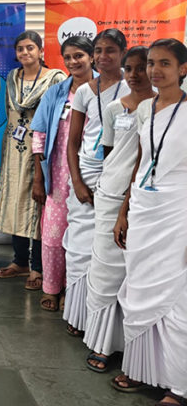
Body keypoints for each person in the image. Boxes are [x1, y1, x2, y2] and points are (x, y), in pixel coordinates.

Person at [114, 39, 187, 405]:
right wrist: (124, 211)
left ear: (183, 69)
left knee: (175, 300)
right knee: (139, 291)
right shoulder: (148, 109)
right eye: (151, 63)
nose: (155, 70)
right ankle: (141, 368)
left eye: (165, 63)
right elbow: (141, 164)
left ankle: (178, 385)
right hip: (144, 209)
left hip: (178, 214)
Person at [83, 46, 153, 374]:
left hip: (145, 199)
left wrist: (131, 197)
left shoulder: (163, 109)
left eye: (142, 67)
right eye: (130, 69)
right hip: (110, 193)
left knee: (137, 273)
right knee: (104, 269)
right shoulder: (113, 108)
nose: (135, 74)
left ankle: (133, 347)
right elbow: (110, 153)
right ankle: (102, 343)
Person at [64, 29, 129, 337]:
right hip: (86, 173)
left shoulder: (136, 88)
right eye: (99, 50)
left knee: (108, 254)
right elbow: (73, 142)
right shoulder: (85, 91)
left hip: (117, 176)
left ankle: (103, 325)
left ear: (123, 53)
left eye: (110, 50)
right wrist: (77, 181)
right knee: (79, 250)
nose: (103, 56)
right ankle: (78, 316)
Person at [0, 32, 66, 289]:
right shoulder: (13, 78)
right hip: (14, 149)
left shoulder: (56, 79)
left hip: (42, 150)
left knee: (39, 204)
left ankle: (39, 267)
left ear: (41, 51)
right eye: (21, 49)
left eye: (30, 48)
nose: (25, 53)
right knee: (16, 202)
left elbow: (58, 117)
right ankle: (20, 261)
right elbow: (10, 111)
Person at [31, 36, 95, 312]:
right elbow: (39, 135)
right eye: (67, 57)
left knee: (83, 236)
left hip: (92, 173)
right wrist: (38, 178)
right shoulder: (56, 93)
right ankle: (51, 287)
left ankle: (74, 289)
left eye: (78, 55)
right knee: (53, 235)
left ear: (92, 57)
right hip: (57, 173)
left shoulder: (105, 90)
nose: (73, 62)